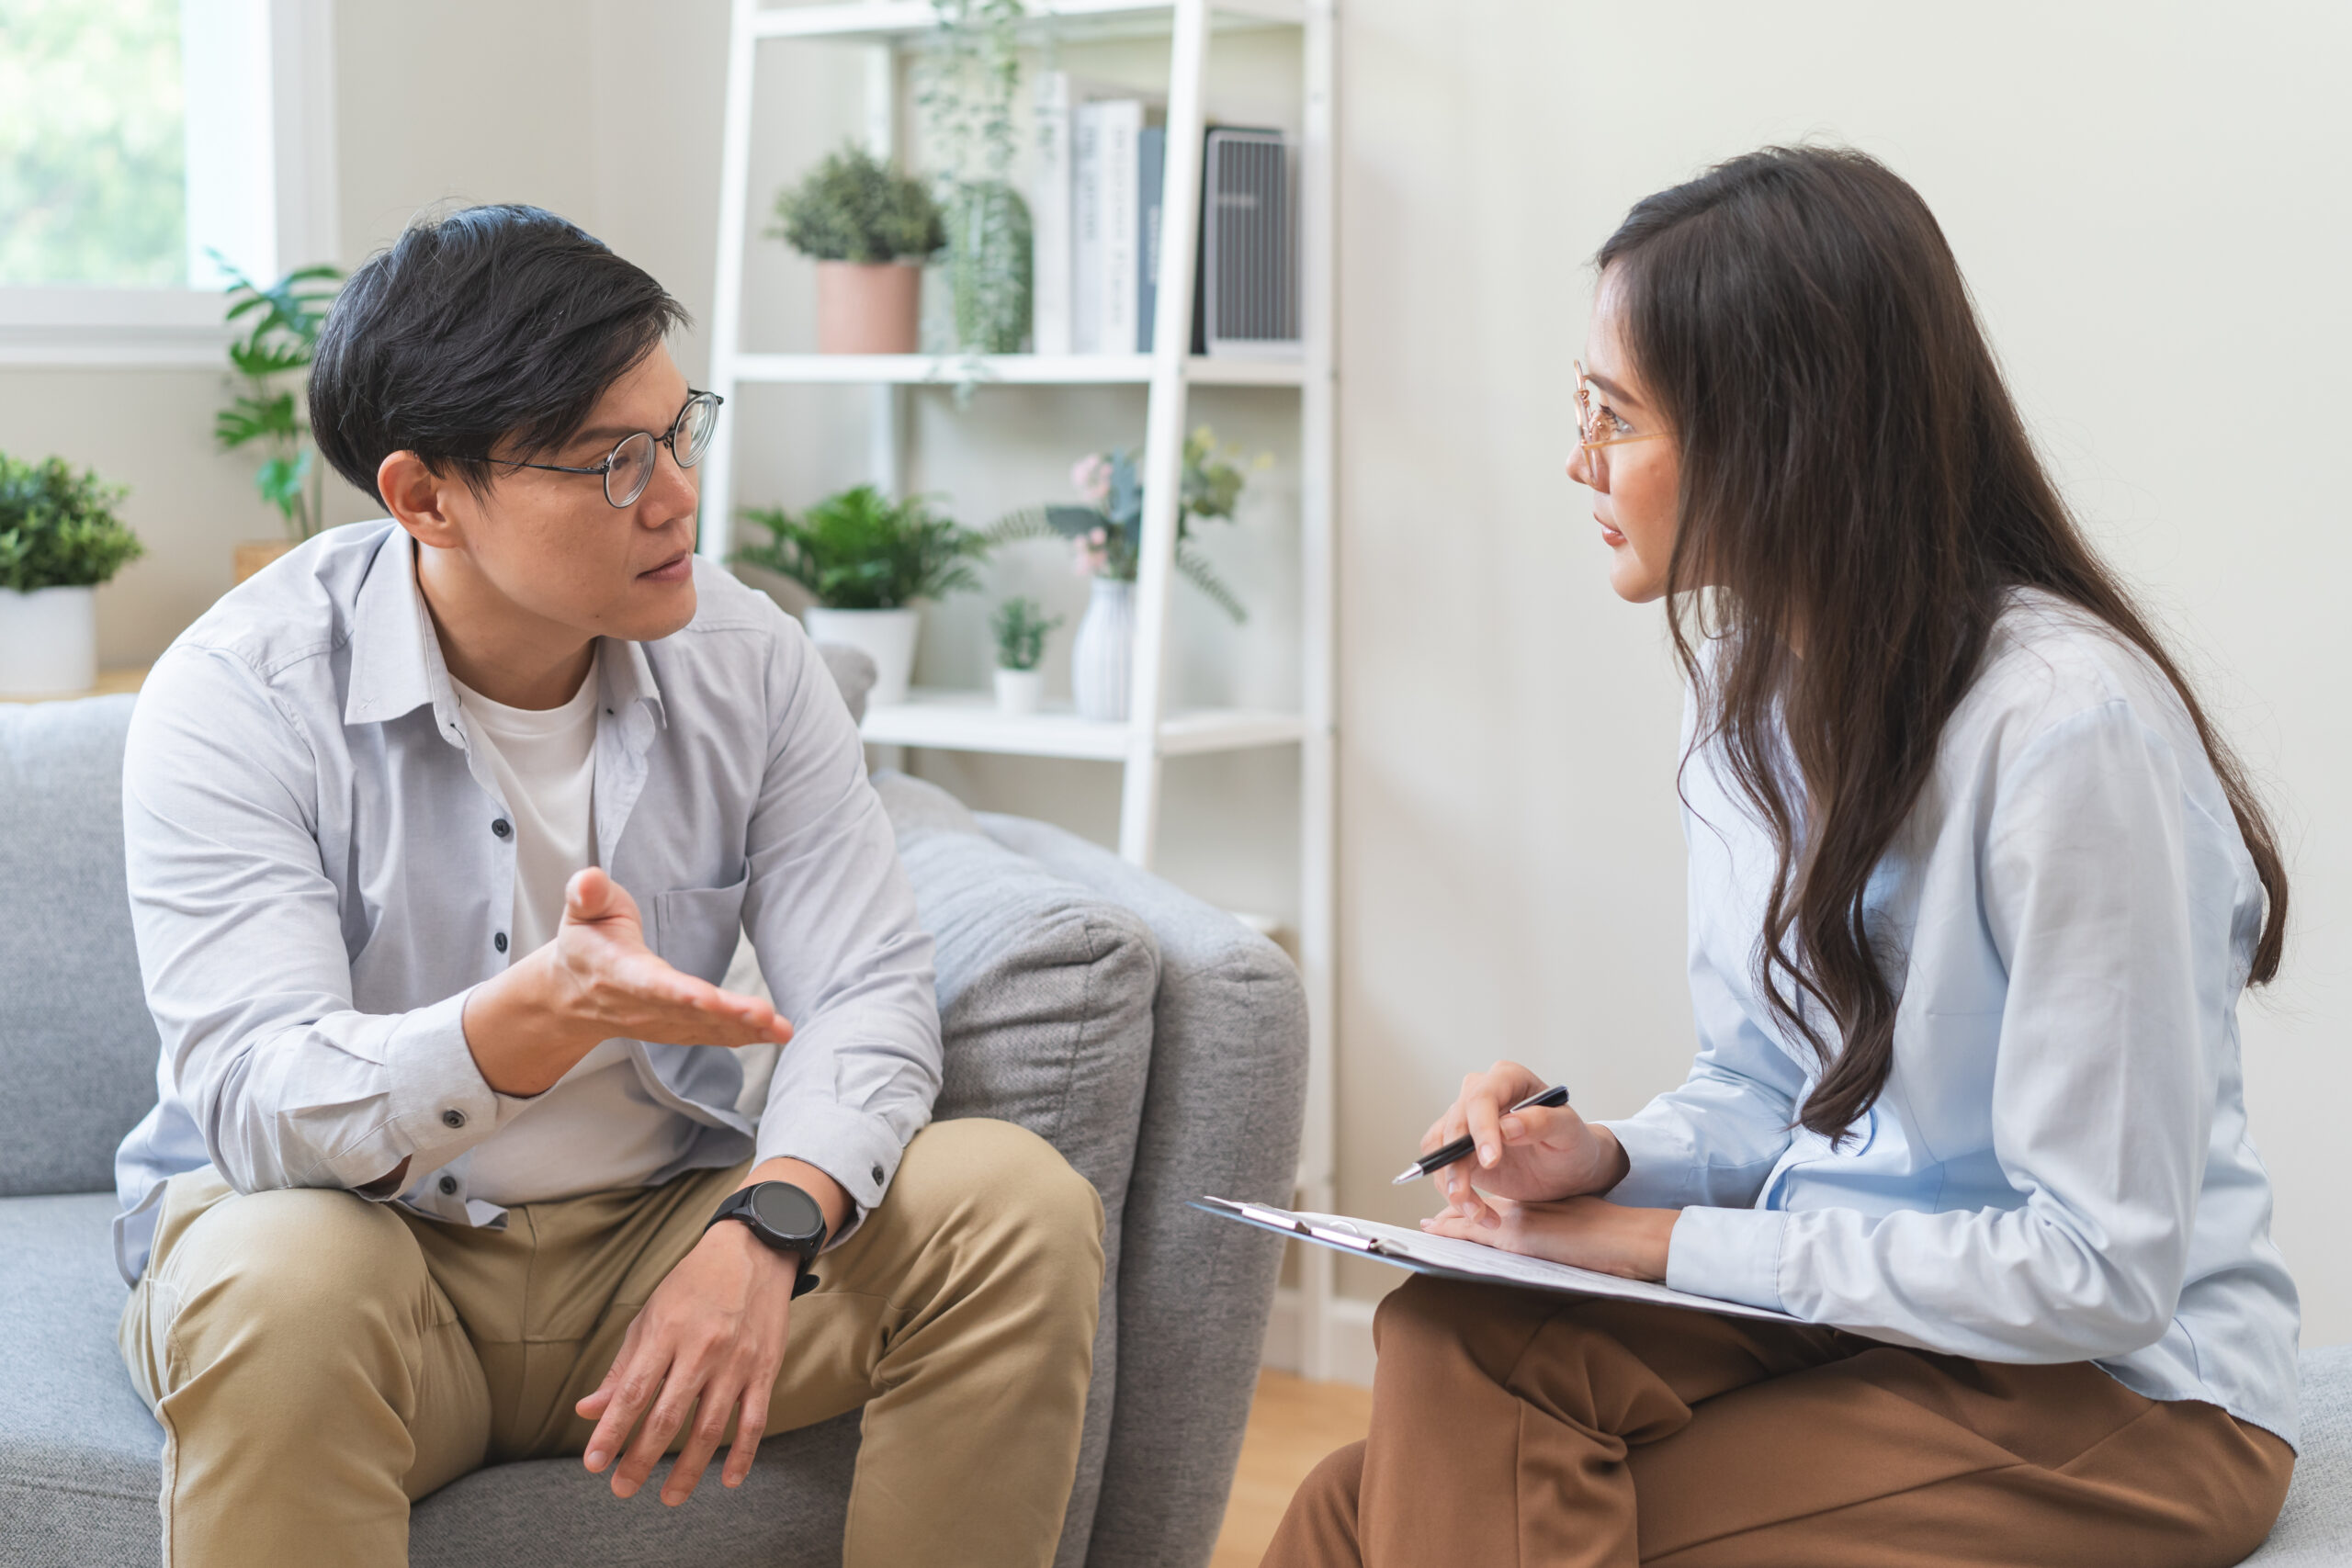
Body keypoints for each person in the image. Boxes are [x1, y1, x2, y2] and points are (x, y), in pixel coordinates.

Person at [1267, 147, 2300, 1568]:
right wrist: (1607, 1162)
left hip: (2126, 1395)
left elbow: (2096, 1271)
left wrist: (1656, 1247)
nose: (1579, 458)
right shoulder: (1745, 691)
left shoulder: (2070, 734)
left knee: (1367, 1516)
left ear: (1778, 434)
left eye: (1613, 414)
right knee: (1440, 1340)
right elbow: (1771, 1090)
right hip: (1859, 1323)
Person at [109, 204, 1104, 1568]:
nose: (681, 493)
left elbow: (866, 993)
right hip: (371, 1253)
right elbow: (253, 1103)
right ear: (425, 497)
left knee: (1014, 1201)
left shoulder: (752, 661)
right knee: (282, 1280)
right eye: (613, 464)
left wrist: (768, 1226)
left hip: (660, 1239)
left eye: (679, 427)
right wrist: (520, 1027)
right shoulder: (239, 695)